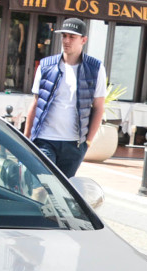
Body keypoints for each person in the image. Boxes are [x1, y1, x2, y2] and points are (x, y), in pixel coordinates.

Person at [23, 18, 105, 179]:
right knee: (42, 184)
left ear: (83, 40)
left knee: (63, 192)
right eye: (64, 36)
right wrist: (26, 138)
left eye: (72, 37)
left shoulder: (95, 68)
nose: (66, 41)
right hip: (44, 139)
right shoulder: (46, 66)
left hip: (74, 143)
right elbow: (36, 103)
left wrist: (87, 142)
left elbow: (99, 107)